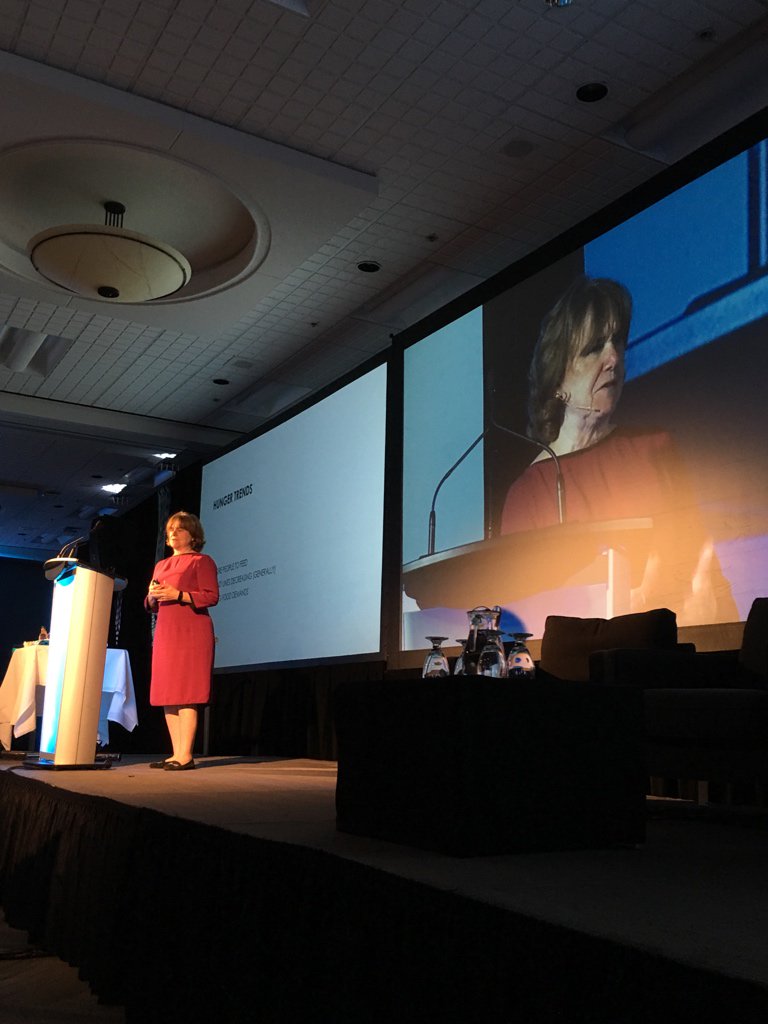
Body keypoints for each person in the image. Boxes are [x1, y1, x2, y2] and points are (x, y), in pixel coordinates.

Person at [500, 276, 736, 625]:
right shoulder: (528, 494)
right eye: (594, 347)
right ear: (557, 380)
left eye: (618, 341)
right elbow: (521, 625)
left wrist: (714, 628)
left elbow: (706, 573)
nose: (613, 358)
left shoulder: (655, 448)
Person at [145, 511, 219, 770]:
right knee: (169, 693)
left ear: (193, 535)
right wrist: (153, 597)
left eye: (180, 529)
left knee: (187, 693)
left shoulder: (202, 561)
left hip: (191, 631)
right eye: (171, 529)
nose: (174, 533)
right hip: (166, 630)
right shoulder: (161, 565)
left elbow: (210, 596)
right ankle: (175, 753)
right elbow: (151, 604)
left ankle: (185, 755)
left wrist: (178, 594)